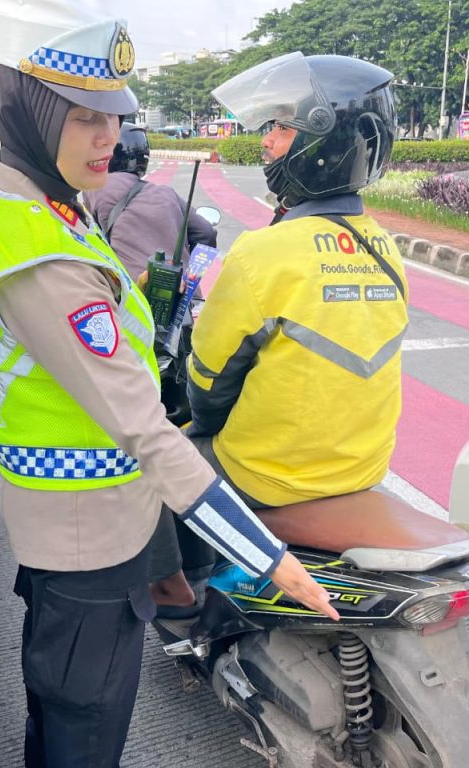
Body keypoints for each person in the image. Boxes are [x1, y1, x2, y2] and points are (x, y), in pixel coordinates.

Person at [0, 5, 336, 767]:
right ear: (30, 111)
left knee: (62, 717)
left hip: (69, 529)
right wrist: (271, 560)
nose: (110, 136)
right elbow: (144, 430)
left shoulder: (33, 206)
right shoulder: (45, 261)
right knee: (84, 734)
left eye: (115, 116)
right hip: (88, 544)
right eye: (84, 115)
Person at [150, 52, 409, 607]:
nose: (266, 142)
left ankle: (178, 597)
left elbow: (207, 386)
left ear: (323, 140)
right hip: (364, 467)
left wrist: (201, 424)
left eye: (281, 127)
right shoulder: (387, 248)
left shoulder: (262, 253)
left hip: (273, 475)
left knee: (157, 463)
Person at [83, 122, 216, 278]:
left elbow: (89, 239)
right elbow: (207, 233)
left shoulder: (95, 188)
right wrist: (188, 276)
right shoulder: (166, 193)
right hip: (181, 295)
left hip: (130, 294)